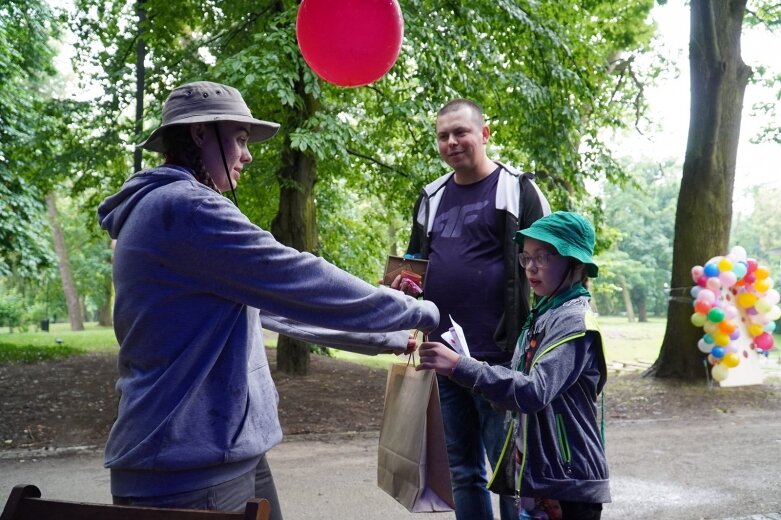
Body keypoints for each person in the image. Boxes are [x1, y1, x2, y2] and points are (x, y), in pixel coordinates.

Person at [96, 81, 439, 519]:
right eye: (239, 138)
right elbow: (299, 277)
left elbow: (275, 307)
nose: (248, 153)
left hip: (217, 452)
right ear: (200, 135)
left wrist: (391, 338)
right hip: (187, 467)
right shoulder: (187, 208)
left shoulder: (172, 211)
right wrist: (420, 311)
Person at [400, 98, 550, 520]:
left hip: (502, 358)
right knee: (463, 472)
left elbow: (550, 265)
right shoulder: (430, 197)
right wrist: (404, 285)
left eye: (461, 132)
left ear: (484, 134)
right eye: (443, 135)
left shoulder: (517, 189)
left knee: (511, 475)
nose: (451, 142)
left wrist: (541, 343)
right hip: (443, 357)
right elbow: (416, 265)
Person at [416, 211, 610, 520]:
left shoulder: (574, 323)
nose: (531, 268)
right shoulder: (544, 314)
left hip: (568, 480)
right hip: (541, 473)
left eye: (543, 257)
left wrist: (461, 367)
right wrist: (463, 366)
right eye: (526, 258)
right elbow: (517, 384)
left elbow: (534, 392)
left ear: (575, 263)